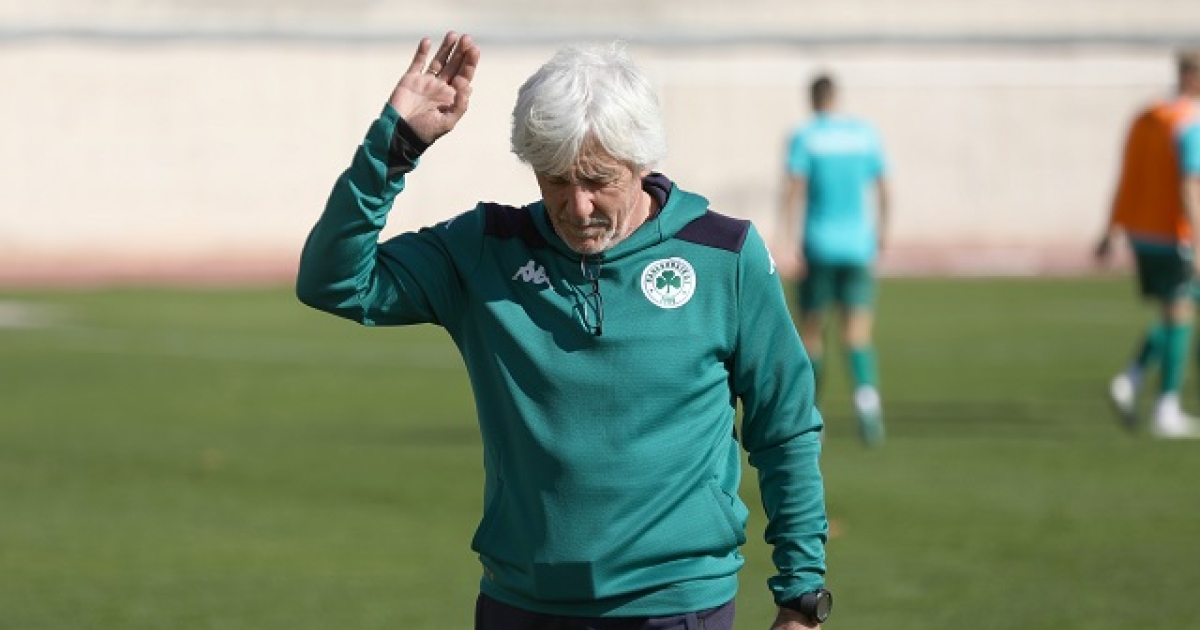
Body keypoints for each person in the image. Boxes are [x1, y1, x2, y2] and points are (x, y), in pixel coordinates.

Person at [296, 32, 831, 630]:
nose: (577, 206)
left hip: (675, 607)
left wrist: (801, 597)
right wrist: (395, 146)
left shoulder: (724, 256)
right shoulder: (486, 248)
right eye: (555, 179)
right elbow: (334, 282)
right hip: (521, 604)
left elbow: (784, 426)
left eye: (599, 180)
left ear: (641, 162)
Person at [777, 73, 891, 447]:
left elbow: (794, 188)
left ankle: (812, 413)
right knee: (856, 333)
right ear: (836, 97)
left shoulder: (805, 137)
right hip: (858, 246)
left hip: (819, 245)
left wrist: (786, 238)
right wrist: (882, 231)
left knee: (812, 332)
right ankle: (868, 410)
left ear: (812, 99)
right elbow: (884, 186)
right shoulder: (864, 134)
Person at [1096, 49, 1200, 439]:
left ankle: (1133, 379)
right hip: (1176, 233)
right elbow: (1190, 185)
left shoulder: (1145, 118)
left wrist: (1112, 227)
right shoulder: (1189, 123)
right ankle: (1164, 405)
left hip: (1143, 232)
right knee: (1180, 314)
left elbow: (1127, 175)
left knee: (1177, 309)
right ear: (1192, 77)